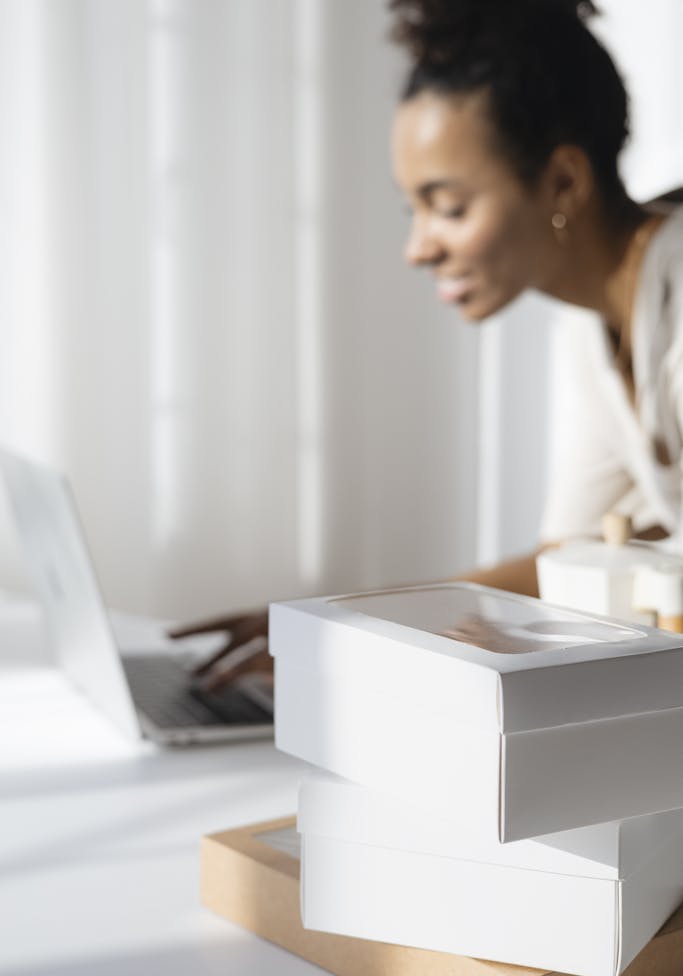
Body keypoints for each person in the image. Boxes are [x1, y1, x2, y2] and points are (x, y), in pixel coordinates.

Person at [170, 0, 683, 689]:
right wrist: (341, 624)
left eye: (449, 207)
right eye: (411, 208)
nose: (417, 249)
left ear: (562, 180)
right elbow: (571, 558)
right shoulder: (592, 321)